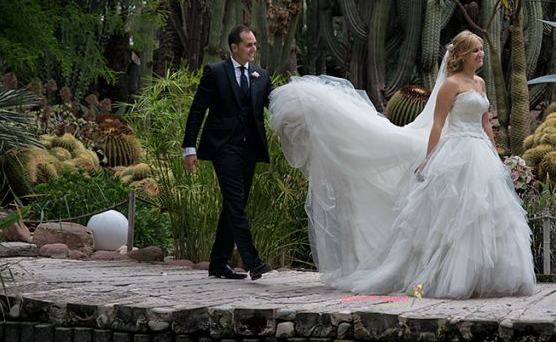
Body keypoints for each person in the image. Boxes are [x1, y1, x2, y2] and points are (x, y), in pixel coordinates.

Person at [269, 30, 535, 298]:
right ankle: (451, 278)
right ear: (463, 54)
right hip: (458, 150)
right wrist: (430, 159)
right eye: (476, 50)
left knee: (489, 212)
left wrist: (495, 151)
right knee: (457, 215)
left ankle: (487, 275)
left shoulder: (480, 83)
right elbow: (439, 123)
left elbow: (485, 120)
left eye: (481, 50)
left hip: (481, 152)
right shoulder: (451, 84)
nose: (481, 54)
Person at [182, 25, 273, 280]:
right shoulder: (215, 72)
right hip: (224, 147)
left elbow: (275, 104)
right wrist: (189, 147)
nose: (254, 49)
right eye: (249, 45)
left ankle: (218, 263)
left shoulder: (261, 75)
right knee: (235, 201)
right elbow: (197, 111)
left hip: (250, 149)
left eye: (255, 44)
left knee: (236, 205)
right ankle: (253, 261)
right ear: (234, 47)